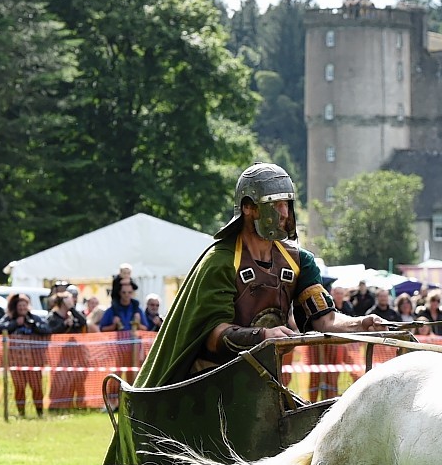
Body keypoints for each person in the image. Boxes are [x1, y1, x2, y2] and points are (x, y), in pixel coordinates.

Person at [130, 162, 385, 390]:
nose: (284, 213)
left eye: (287, 204)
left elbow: (325, 321)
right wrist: (263, 336)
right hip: (208, 384)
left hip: (266, 383)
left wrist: (361, 324)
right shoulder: (221, 261)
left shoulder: (299, 261)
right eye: (275, 204)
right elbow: (212, 335)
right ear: (249, 207)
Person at [0, 292, 50, 417]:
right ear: (15, 307)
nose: (22, 308)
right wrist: (16, 323)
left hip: (34, 360)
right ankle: (21, 413)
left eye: (24, 306)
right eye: (20, 306)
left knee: (36, 387)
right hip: (16, 360)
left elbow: (47, 330)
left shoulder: (34, 318)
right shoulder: (9, 318)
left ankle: (40, 412)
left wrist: (33, 325)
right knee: (19, 387)